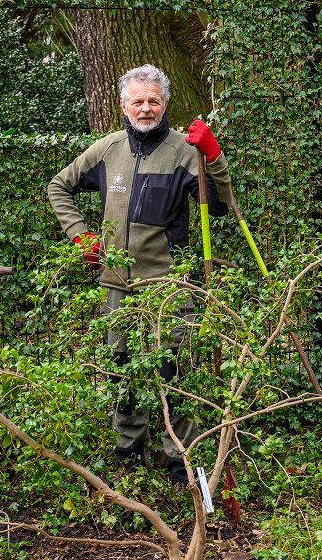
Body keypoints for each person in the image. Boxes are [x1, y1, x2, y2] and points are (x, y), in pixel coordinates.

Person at [47, 64, 232, 488]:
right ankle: (129, 452)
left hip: (170, 286)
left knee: (175, 371)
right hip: (117, 286)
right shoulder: (108, 149)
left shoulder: (184, 152)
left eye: (153, 101)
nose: (145, 108)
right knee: (123, 370)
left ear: (165, 104)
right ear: (123, 106)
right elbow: (58, 187)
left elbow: (219, 206)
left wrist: (214, 158)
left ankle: (179, 460)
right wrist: (81, 237)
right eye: (138, 101)